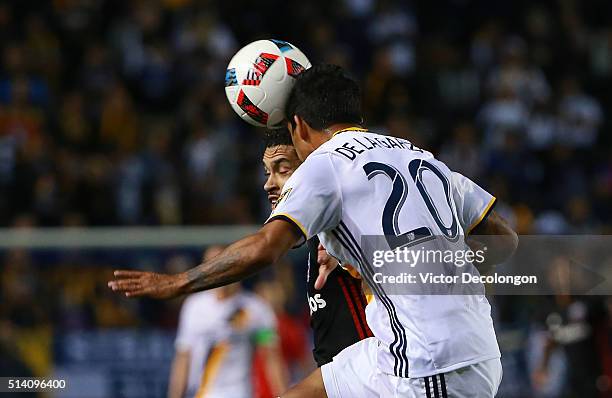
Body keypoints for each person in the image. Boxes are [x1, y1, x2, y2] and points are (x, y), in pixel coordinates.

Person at [109, 64, 518, 397]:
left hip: (430, 363)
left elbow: (265, 248)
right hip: (463, 349)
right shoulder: (420, 156)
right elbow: (504, 240)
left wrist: (178, 283)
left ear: (299, 127)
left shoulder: (325, 162)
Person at [262, 128, 372, 367]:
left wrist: (355, 257)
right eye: (267, 172)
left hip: (369, 374)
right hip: (336, 374)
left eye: (282, 170)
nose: (268, 184)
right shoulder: (316, 234)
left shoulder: (343, 226)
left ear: (309, 174)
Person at [166, 245, 287, 398]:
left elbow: (271, 358)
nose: (215, 271)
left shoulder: (257, 309)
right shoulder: (193, 307)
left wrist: (283, 394)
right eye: (210, 265)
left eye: (220, 265)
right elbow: (183, 357)